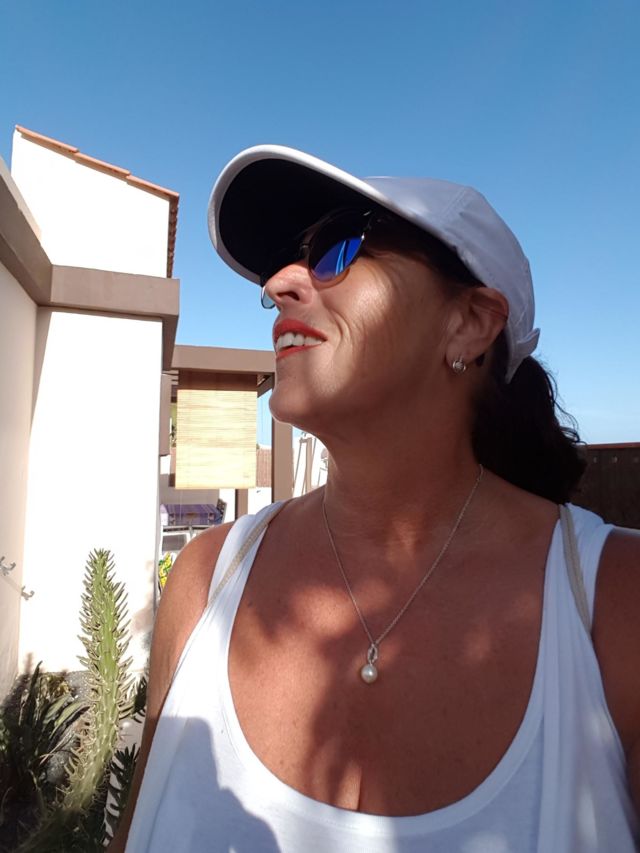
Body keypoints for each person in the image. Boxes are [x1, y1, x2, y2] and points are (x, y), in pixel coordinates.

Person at [111, 147, 640, 852]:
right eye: (284, 265)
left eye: (338, 247)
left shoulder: (617, 605)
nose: (281, 282)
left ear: (469, 323)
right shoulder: (206, 581)